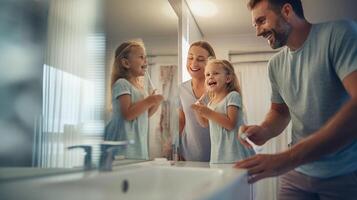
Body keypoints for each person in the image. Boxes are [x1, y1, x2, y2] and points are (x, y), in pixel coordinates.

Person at [234, 0, 357, 199]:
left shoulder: (339, 33)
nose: (258, 32)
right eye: (255, 25)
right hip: (298, 172)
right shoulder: (275, 64)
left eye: (261, 21)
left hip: (344, 172)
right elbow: (280, 112)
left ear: (287, 10)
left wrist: (287, 159)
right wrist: (263, 130)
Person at [104, 41, 163, 160]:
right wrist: (148, 101)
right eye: (141, 57)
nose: (145, 61)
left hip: (137, 146)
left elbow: (143, 115)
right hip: (123, 146)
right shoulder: (122, 84)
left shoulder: (141, 89)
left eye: (145, 57)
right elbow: (128, 114)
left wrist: (155, 103)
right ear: (126, 63)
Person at [191, 59, 255, 164]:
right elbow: (205, 123)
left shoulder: (233, 96)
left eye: (215, 73)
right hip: (218, 156)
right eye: (207, 75)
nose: (210, 77)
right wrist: (198, 111)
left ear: (228, 78)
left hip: (236, 155)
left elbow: (230, 124)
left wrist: (208, 113)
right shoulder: (211, 103)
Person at [178, 41, 216, 161]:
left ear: (210, 62)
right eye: (190, 57)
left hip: (216, 157)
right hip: (187, 156)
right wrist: (175, 149)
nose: (193, 63)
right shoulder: (181, 89)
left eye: (200, 59)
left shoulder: (218, 88)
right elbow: (181, 120)